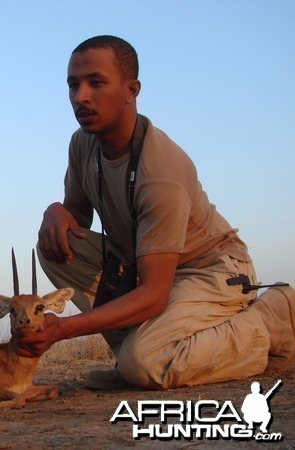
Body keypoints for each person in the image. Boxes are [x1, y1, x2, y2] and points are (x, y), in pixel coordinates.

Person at [18, 35, 295, 390]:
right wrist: (54, 211)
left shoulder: (160, 171)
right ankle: (134, 351)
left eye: (96, 83)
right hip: (147, 266)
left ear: (131, 90)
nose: (80, 97)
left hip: (209, 269)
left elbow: (154, 292)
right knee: (56, 246)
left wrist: (65, 329)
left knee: (146, 363)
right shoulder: (83, 141)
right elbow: (78, 218)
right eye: (74, 85)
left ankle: (271, 323)